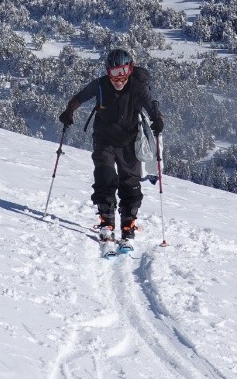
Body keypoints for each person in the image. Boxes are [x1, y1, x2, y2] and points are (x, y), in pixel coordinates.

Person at [59, 49, 163, 241]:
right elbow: (79, 97)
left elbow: (150, 106)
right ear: (108, 72)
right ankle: (107, 221)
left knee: (129, 182)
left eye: (123, 71)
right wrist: (69, 111)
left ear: (130, 69)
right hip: (103, 140)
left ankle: (128, 221)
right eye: (114, 72)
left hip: (129, 142)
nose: (119, 78)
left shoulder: (137, 87)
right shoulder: (100, 85)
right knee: (105, 177)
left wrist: (157, 119)